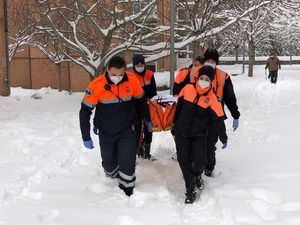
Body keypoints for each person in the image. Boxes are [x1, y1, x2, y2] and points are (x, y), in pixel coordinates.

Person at [79, 56, 151, 197]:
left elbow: (142, 102)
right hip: (106, 131)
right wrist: (86, 136)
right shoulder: (96, 85)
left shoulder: (132, 81)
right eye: (113, 75)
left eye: (120, 74)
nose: (117, 77)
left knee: (128, 161)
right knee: (109, 165)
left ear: (125, 71)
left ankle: (127, 190)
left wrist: (147, 121)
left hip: (127, 129)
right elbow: (84, 112)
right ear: (107, 70)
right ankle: (113, 171)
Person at [173, 66, 228, 204]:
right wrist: (174, 126)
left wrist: (223, 137)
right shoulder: (187, 89)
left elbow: (218, 120)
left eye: (207, 79)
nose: (204, 81)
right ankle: (190, 189)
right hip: (182, 133)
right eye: (202, 78)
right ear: (197, 78)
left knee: (200, 162)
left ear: (211, 82)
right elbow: (177, 109)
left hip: (199, 135)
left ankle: (197, 176)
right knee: (183, 161)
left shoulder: (212, 99)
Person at [203, 48, 240, 177]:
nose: (210, 62)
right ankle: (197, 164)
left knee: (210, 142)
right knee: (198, 141)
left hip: (215, 115)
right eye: (208, 60)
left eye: (212, 61)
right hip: (198, 114)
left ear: (216, 62)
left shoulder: (223, 76)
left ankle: (209, 167)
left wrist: (235, 115)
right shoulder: (196, 73)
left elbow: (230, 98)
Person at [131, 54, 157, 160]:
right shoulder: (131, 76)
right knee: (137, 129)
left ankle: (147, 151)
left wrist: (150, 101)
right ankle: (139, 150)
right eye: (137, 64)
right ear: (134, 65)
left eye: (141, 64)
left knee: (149, 128)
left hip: (148, 106)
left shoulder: (150, 74)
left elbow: (153, 92)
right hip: (136, 108)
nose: (140, 66)